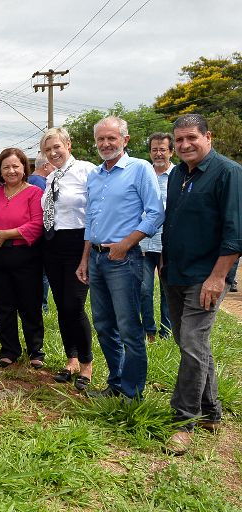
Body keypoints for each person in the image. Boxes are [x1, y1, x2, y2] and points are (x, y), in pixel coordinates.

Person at [161, 114, 242, 455]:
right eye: (178, 140)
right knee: (188, 341)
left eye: (191, 138)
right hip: (175, 272)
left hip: (206, 276)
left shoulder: (228, 173)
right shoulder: (178, 173)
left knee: (193, 341)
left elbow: (236, 233)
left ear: (208, 137)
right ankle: (211, 411)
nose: (184, 145)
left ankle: (184, 422)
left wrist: (217, 276)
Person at [76, 116, 164, 402]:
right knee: (103, 325)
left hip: (124, 260)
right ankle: (115, 383)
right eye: (100, 139)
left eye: (111, 138)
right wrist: (85, 259)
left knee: (129, 328)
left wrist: (125, 245)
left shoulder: (140, 169)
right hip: (97, 259)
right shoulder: (95, 175)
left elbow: (155, 213)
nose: (105, 144)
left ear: (125, 140)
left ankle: (132, 393)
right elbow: (91, 221)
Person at [40, 128, 96, 390]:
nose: (52, 153)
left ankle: (87, 364)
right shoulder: (52, 177)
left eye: (56, 147)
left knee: (74, 305)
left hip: (78, 245)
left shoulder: (86, 170)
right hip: (53, 245)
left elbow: (95, 211)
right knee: (62, 305)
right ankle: (71, 359)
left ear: (68, 145)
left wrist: (87, 253)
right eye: (47, 150)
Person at [0, 148, 45, 368]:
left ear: (24, 168)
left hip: (25, 255)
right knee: (3, 305)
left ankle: (35, 351)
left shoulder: (34, 192)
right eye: (6, 167)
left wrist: (6, 234)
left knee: (29, 305)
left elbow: (37, 225)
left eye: (15, 166)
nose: (11, 171)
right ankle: (9, 349)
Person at [139, 132, 174, 342]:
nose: (158, 153)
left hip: (167, 244)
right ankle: (149, 331)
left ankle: (167, 333)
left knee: (167, 291)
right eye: (154, 150)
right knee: (144, 290)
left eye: (162, 149)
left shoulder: (179, 175)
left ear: (171, 151)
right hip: (142, 243)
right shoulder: (144, 174)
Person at [30, 153, 54, 312]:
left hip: (31, 238)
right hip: (41, 235)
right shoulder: (41, 183)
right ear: (45, 166)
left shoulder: (29, 180)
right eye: (53, 165)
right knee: (43, 274)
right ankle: (42, 306)